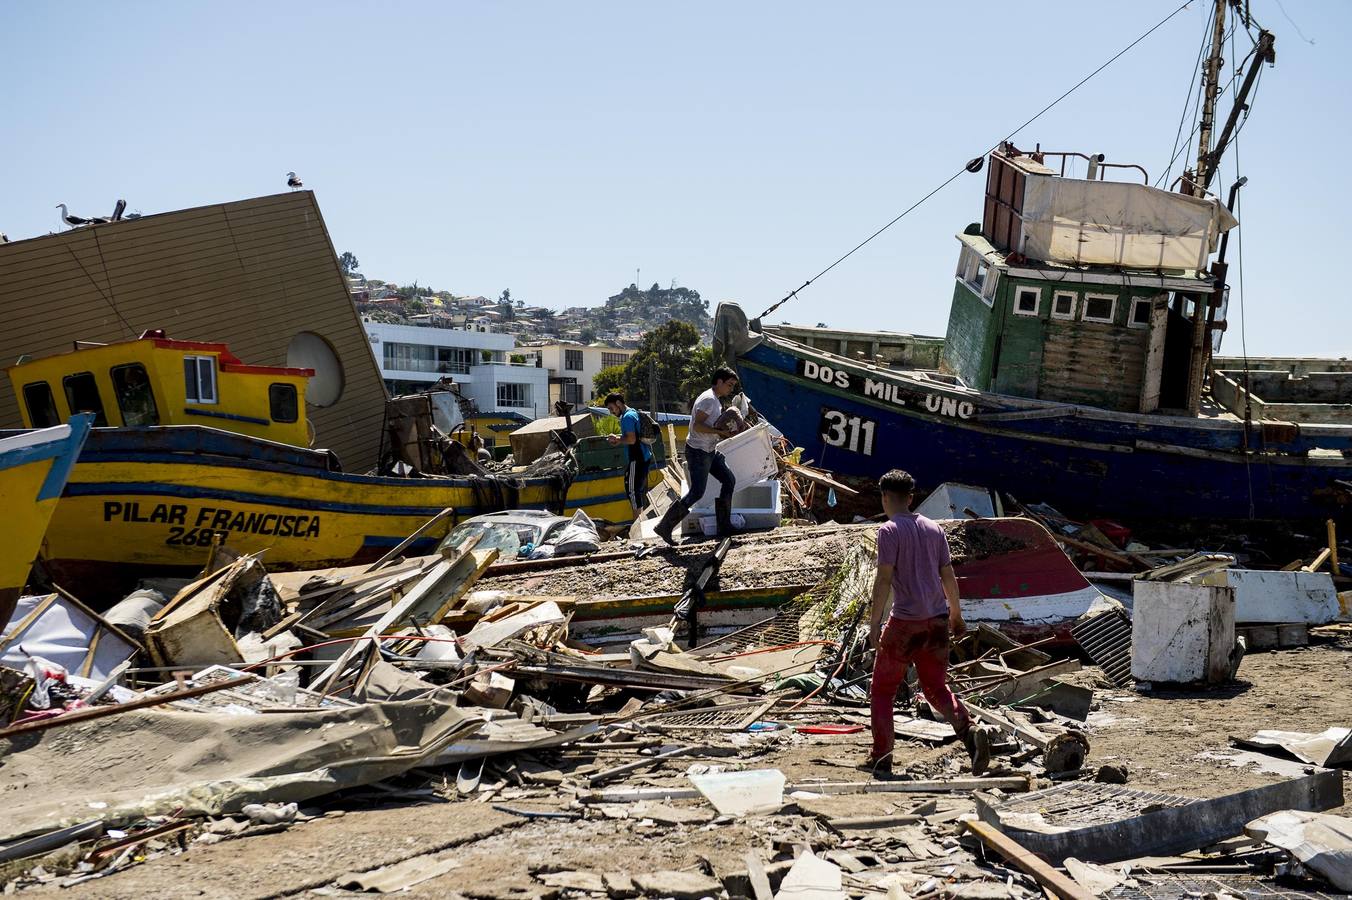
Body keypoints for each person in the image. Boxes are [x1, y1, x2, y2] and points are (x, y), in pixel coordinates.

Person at [867, 469, 991, 776]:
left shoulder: (889, 531)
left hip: (905, 623)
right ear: (911, 498)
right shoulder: (935, 529)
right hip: (936, 620)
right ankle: (969, 731)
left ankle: (882, 756)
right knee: (936, 687)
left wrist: (874, 624)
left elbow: (883, 580)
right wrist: (956, 614)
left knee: (883, 690)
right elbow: (948, 575)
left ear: (885, 498)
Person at [654, 366, 740, 544]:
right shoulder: (709, 399)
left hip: (709, 450)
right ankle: (665, 526)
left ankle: (724, 526)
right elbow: (697, 426)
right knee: (696, 493)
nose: (731, 389)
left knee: (729, 480)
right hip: (699, 452)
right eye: (729, 385)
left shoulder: (715, 399)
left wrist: (720, 431)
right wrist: (720, 432)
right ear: (719, 382)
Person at [604, 391, 653, 517]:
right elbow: (631, 437)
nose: (611, 412)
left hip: (636, 459)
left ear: (618, 403)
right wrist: (619, 439)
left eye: (611, 408)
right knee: (636, 491)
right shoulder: (633, 413)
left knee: (632, 491)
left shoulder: (627, 417)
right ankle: (640, 520)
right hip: (643, 457)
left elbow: (631, 439)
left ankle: (637, 522)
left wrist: (617, 439)